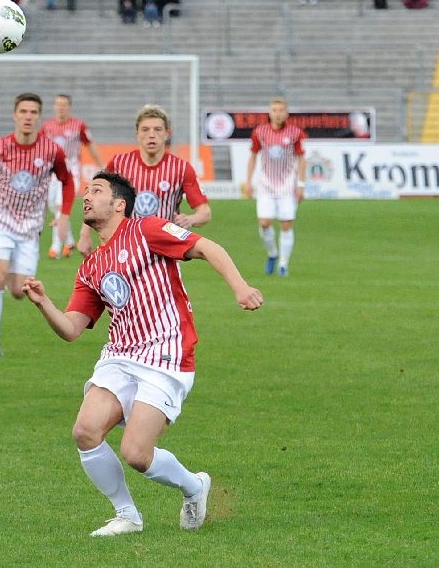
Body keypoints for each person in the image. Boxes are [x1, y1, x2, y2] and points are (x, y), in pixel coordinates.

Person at [22, 171, 263, 537]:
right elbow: (71, 329)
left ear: (119, 204)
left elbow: (206, 247)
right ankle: (127, 516)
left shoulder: (147, 230)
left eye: (96, 191)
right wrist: (43, 303)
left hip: (166, 353)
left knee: (136, 453)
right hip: (120, 355)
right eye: (86, 191)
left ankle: (194, 486)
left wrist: (240, 287)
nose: (86, 197)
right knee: (85, 431)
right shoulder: (90, 267)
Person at [0, 92, 75, 356]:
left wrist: (64, 215)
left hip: (30, 227)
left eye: (33, 112)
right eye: (23, 112)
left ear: (39, 117)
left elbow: (68, 182)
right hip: (0, 220)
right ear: (14, 115)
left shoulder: (52, 150)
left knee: (19, 290)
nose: (28, 117)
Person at [77, 104, 210, 255]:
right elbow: (95, 199)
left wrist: (190, 220)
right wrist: (84, 234)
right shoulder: (119, 163)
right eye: (145, 129)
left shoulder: (181, 168)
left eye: (157, 129)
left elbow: (205, 212)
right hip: (126, 248)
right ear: (137, 134)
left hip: (164, 250)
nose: (151, 135)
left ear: (167, 133)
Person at [241, 97, 307, 277]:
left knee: (286, 224)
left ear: (286, 113)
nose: (278, 114)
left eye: (281, 110)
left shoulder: (295, 133)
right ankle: (272, 253)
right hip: (266, 185)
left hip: (287, 185)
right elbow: (253, 156)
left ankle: (283, 264)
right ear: (270, 113)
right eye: (275, 110)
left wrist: (301, 185)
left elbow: (302, 159)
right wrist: (248, 181)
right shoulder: (260, 132)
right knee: (264, 223)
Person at [42, 94, 103, 259]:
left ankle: (55, 247)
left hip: (72, 170)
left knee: (60, 204)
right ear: (54, 107)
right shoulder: (46, 126)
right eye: (58, 104)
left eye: (64, 105)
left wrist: (101, 165)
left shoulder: (78, 125)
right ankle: (69, 241)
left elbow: (90, 145)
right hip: (52, 171)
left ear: (69, 107)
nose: (60, 108)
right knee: (53, 204)